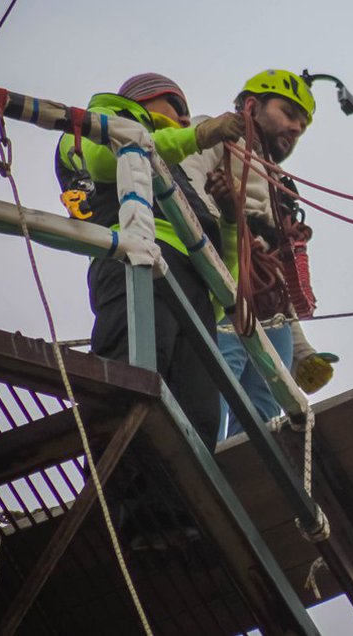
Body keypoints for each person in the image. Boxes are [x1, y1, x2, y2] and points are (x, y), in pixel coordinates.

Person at [55, 73, 242, 449]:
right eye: (180, 108)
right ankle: (121, 495)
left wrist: (230, 223)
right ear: (146, 99)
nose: (187, 121)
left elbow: (227, 290)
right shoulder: (93, 127)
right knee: (133, 384)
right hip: (137, 264)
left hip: (195, 297)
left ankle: (178, 502)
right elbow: (110, 160)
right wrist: (199, 137)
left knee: (198, 419)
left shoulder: (176, 178)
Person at [180, 69, 336, 441]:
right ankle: (206, 466)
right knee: (220, 384)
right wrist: (224, 232)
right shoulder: (215, 133)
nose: (296, 127)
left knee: (266, 407)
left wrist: (301, 351)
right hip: (225, 284)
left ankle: (248, 481)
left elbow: (275, 271)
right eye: (288, 113)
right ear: (252, 105)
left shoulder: (276, 181)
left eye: (303, 123)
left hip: (267, 302)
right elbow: (183, 182)